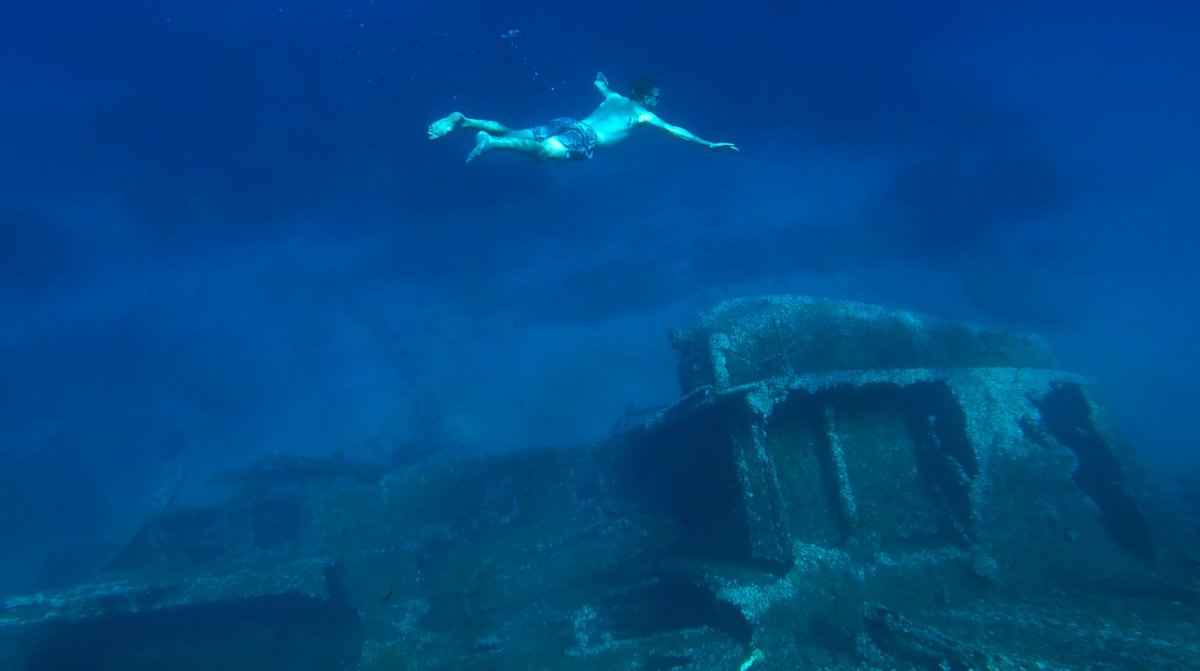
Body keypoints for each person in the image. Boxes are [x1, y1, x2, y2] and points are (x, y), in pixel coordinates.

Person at [427, 72, 739, 163]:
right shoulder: (642, 114)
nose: (658, 102)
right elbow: (674, 131)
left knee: (515, 132)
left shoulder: (614, 97)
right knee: (543, 154)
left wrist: (600, 80)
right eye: (656, 98)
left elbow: (599, 84)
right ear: (644, 98)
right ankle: (491, 144)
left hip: (570, 121)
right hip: (586, 137)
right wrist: (709, 145)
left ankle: (465, 120)